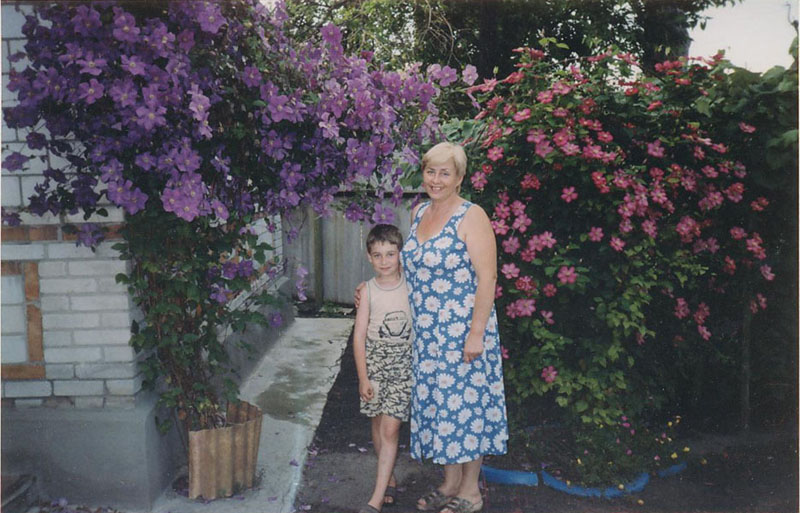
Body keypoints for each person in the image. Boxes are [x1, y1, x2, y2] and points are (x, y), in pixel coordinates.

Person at [356, 142, 508, 513]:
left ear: (459, 178)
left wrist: (476, 333)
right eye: (430, 171)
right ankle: (450, 483)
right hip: (425, 335)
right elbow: (410, 270)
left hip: (462, 332)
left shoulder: (472, 216)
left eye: (445, 173)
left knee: (466, 408)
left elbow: (487, 278)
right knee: (443, 409)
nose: (435, 179)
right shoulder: (421, 211)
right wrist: (371, 288)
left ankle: (470, 492)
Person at [353, 223, 414, 513]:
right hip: (375, 363)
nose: (384, 261)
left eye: (391, 254)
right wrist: (363, 377)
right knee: (378, 424)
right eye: (377, 255)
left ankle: (375, 500)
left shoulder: (412, 284)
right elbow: (359, 336)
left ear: (400, 254)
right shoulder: (367, 291)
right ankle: (387, 479)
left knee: (391, 428)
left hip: (403, 364)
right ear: (369, 257)